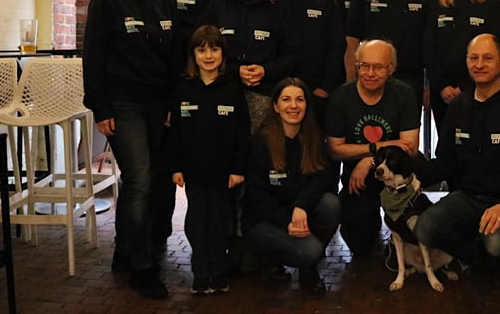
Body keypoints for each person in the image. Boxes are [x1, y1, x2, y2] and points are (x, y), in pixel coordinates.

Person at [414, 34, 500, 286]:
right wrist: (409, 159)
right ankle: (481, 255)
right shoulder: (458, 106)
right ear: (466, 62)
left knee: (497, 245)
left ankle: (499, 251)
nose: (479, 64)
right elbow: (444, 162)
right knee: (425, 227)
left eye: (487, 58)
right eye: (473, 58)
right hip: (468, 197)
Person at [82, 0, 175, 299]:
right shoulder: (106, 1)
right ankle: (142, 266)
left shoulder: (165, 1)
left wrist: (171, 104)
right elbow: (93, 58)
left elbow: (171, 59)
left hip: (158, 106)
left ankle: (123, 252)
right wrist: (100, 109)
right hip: (123, 104)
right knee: (139, 181)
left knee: (144, 182)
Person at [153, 0, 234, 265]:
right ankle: (155, 242)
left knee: (218, 167)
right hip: (175, 85)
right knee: (167, 171)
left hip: (217, 86)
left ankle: (223, 246)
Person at [170, 25, 250, 295]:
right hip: (193, 172)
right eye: (201, 49)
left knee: (219, 222)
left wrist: (238, 168)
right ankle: (200, 270)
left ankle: (218, 270)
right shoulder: (183, 88)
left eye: (214, 49)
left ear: (222, 54)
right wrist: (176, 167)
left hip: (223, 172)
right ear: (193, 54)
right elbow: (176, 133)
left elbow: (242, 131)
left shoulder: (232, 89)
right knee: (196, 221)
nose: (208, 55)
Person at [242, 77, 340, 295]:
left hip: (297, 213)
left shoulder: (313, 137)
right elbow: (256, 196)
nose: (293, 106)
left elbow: (323, 177)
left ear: (307, 105)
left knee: (331, 204)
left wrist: (302, 207)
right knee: (311, 250)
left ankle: (308, 269)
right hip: (264, 221)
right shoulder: (262, 142)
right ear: (276, 106)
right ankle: (271, 257)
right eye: (286, 99)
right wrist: (287, 222)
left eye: (300, 100)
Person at [326, 39, 420, 257]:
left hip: (398, 176)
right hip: (358, 181)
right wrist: (379, 146)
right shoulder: (341, 97)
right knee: (360, 244)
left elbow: (410, 147)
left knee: (412, 237)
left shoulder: (404, 94)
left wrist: (369, 160)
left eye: (377, 67)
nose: (369, 73)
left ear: (391, 69)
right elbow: (335, 149)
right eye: (363, 66)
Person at [202, 0, 299, 134]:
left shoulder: (278, 8)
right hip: (222, 91)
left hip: (265, 96)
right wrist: (235, 70)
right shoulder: (217, 5)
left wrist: (265, 71)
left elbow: (292, 55)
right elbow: (202, 51)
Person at [345, 0, 437, 116]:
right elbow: (352, 40)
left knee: (407, 138)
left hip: (412, 79)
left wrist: (431, 85)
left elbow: (433, 40)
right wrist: (351, 81)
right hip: (372, 78)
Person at [424, 0, 500, 130]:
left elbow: (497, 47)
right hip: (442, 92)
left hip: (478, 89)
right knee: (446, 145)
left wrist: (466, 87)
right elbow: (428, 47)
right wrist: (442, 86)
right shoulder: (438, 2)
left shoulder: (488, 2)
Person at [274, 0, 345, 127]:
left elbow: (336, 47)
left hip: (318, 96)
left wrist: (325, 89)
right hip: (278, 97)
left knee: (318, 154)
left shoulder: (326, 1)